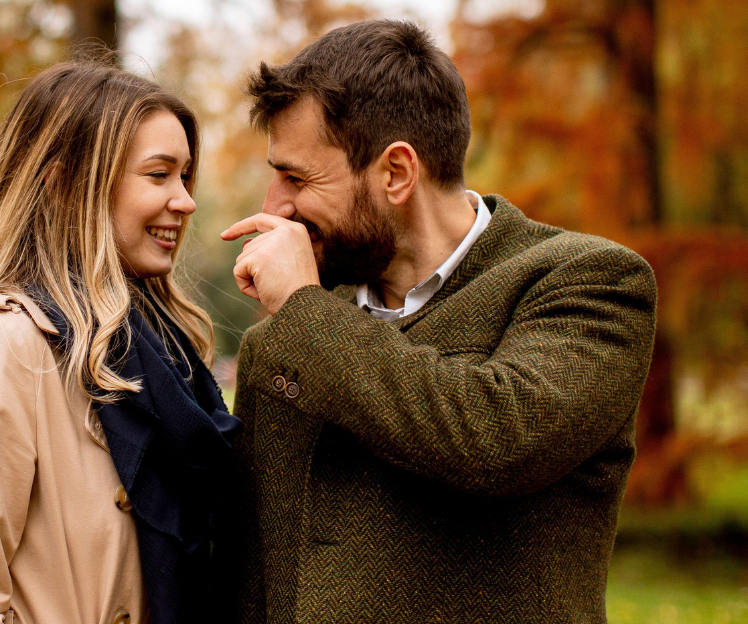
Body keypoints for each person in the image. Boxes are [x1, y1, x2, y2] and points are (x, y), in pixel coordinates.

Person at [215, 20, 657, 623]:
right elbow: (249, 577)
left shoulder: (590, 282)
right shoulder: (281, 342)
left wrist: (303, 307)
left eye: (297, 178)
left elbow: (496, 440)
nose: (274, 207)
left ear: (397, 172)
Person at [0, 61, 240, 624]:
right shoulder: (1, 345)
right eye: (159, 175)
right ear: (64, 186)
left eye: (185, 177)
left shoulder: (166, 352)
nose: (185, 200)